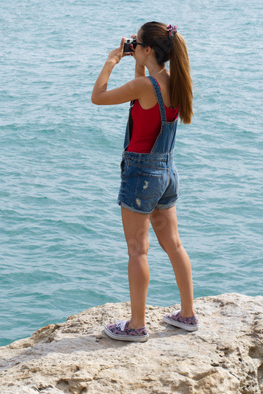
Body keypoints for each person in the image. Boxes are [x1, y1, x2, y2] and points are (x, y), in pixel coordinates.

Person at [90, 21, 198, 342]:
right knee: (174, 244)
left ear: (148, 49)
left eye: (136, 42)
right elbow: (146, 106)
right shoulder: (173, 81)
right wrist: (138, 63)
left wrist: (112, 60)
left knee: (137, 250)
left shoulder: (145, 87)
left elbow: (98, 97)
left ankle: (136, 326)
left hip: (141, 174)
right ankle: (188, 315)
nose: (132, 44)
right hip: (166, 172)